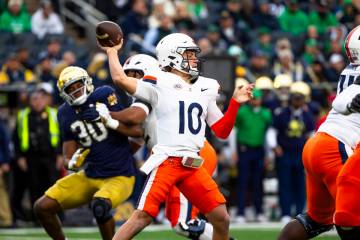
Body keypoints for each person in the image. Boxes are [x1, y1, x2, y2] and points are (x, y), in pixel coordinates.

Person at [100, 32, 253, 240]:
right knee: (142, 216)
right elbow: (120, 78)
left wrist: (234, 104)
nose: (194, 59)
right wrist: (111, 51)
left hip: (193, 164)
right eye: (189, 54)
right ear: (172, 56)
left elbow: (222, 131)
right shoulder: (158, 81)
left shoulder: (205, 87)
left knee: (221, 217)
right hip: (168, 161)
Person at [33, 66, 143, 240]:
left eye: (78, 85)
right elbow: (67, 154)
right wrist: (71, 162)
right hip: (90, 174)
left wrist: (109, 119)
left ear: (87, 82)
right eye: (70, 89)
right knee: (42, 207)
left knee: (99, 207)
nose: (76, 91)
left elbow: (138, 132)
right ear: (63, 93)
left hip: (120, 176)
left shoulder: (104, 95)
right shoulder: (64, 112)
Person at [277, 25, 360, 240]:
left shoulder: (350, 70)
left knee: (317, 219)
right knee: (350, 216)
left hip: (319, 143)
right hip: (336, 146)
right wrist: (351, 103)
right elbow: (343, 101)